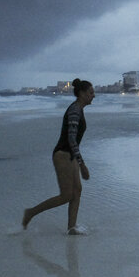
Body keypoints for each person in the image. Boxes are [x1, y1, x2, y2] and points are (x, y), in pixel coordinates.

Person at [22, 79, 95, 235]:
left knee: (77, 190)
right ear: (82, 94)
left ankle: (71, 228)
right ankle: (30, 213)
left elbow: (73, 141)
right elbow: (71, 138)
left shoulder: (79, 109)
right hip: (62, 155)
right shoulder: (75, 110)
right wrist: (82, 165)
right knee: (66, 195)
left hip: (70, 155)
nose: (93, 96)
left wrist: (78, 161)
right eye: (91, 93)